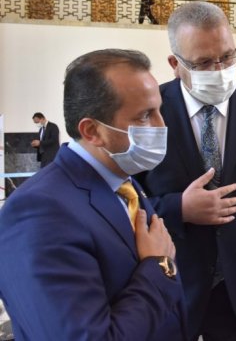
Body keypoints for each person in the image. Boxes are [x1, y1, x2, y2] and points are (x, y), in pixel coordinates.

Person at [0, 49, 188, 340]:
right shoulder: (38, 213)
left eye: (159, 110)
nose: (162, 126)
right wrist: (160, 266)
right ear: (92, 131)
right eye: (145, 116)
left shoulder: (124, 183)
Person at [136, 1, 236, 341]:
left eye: (227, 56)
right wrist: (179, 208)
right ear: (175, 64)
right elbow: (126, 201)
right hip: (172, 282)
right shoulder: (148, 111)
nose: (220, 69)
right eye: (204, 62)